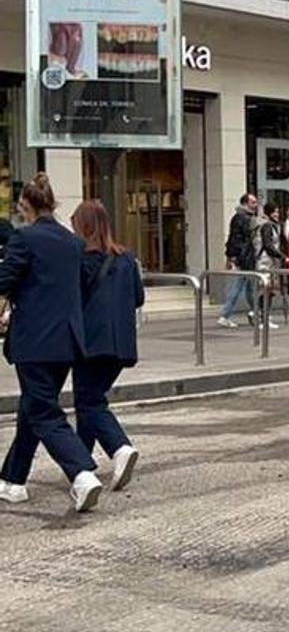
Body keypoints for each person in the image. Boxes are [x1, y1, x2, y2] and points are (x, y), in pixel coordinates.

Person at [0, 174, 103, 512]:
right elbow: (83, 285)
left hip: (34, 340)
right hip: (67, 341)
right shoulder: (73, 243)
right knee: (33, 407)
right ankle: (13, 481)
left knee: (43, 411)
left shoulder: (24, 238)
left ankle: (82, 472)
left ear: (26, 205)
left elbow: (5, 279)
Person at [71, 200, 144, 491]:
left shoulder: (81, 259)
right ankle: (82, 465)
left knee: (88, 402)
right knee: (89, 400)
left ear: (83, 226)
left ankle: (119, 447)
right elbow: (138, 297)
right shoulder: (126, 258)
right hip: (122, 344)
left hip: (91, 341)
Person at [217, 193, 258, 329]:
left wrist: (230, 256)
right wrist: (232, 256)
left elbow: (232, 239)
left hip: (244, 256)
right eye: (252, 202)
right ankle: (225, 315)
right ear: (245, 204)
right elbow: (238, 239)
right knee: (240, 286)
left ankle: (256, 312)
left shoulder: (240, 218)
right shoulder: (244, 219)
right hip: (245, 257)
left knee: (249, 287)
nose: (255, 205)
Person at [255, 203, 285, 330]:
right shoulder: (267, 226)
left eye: (277, 212)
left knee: (269, 290)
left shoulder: (272, 225)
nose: (277, 214)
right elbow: (268, 245)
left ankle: (263, 316)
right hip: (265, 261)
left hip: (269, 261)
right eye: (274, 212)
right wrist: (283, 256)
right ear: (268, 213)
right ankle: (263, 318)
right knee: (265, 290)